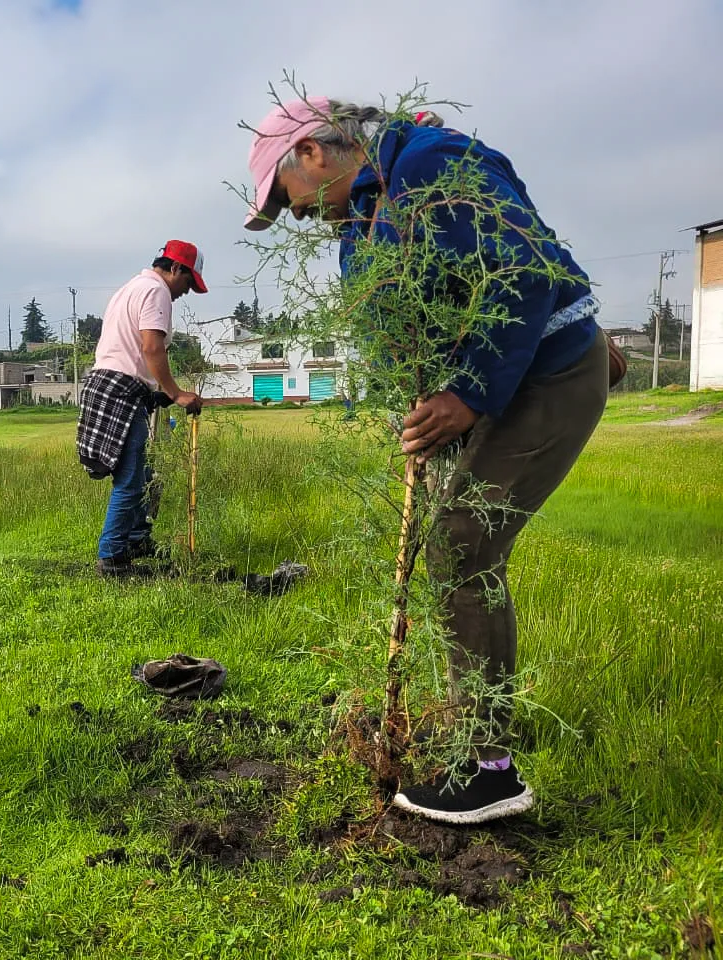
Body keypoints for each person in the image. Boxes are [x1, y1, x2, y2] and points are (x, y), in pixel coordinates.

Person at [244, 98, 608, 824]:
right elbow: (392, 323)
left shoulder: (429, 167)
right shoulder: (369, 210)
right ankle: (471, 724)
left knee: (461, 546)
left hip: (547, 374)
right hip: (495, 386)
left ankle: (489, 769)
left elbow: (522, 274)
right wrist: (412, 408)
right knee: (457, 548)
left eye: (288, 202)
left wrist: (467, 394)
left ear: (313, 153)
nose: (299, 220)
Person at [77, 241, 206, 577]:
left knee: (144, 475)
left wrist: (156, 393)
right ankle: (112, 558)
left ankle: (136, 538)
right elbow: (151, 347)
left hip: (114, 385)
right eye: (188, 283)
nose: (186, 292)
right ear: (175, 268)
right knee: (131, 479)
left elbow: (131, 352)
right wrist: (176, 393)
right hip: (119, 390)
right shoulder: (156, 290)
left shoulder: (132, 287)